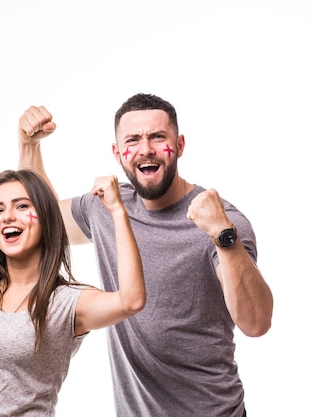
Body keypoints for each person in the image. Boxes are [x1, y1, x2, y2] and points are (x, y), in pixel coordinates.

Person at [17, 95, 274, 417]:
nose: (146, 149)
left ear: (179, 145)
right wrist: (29, 147)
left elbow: (256, 322)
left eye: (157, 137)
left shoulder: (220, 222)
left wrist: (225, 239)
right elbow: (43, 224)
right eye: (133, 140)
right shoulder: (109, 207)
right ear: (117, 153)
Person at [0, 169, 145, 416]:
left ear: (46, 217)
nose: (7, 216)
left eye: (21, 206)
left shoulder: (67, 303)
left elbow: (131, 301)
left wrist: (117, 212)